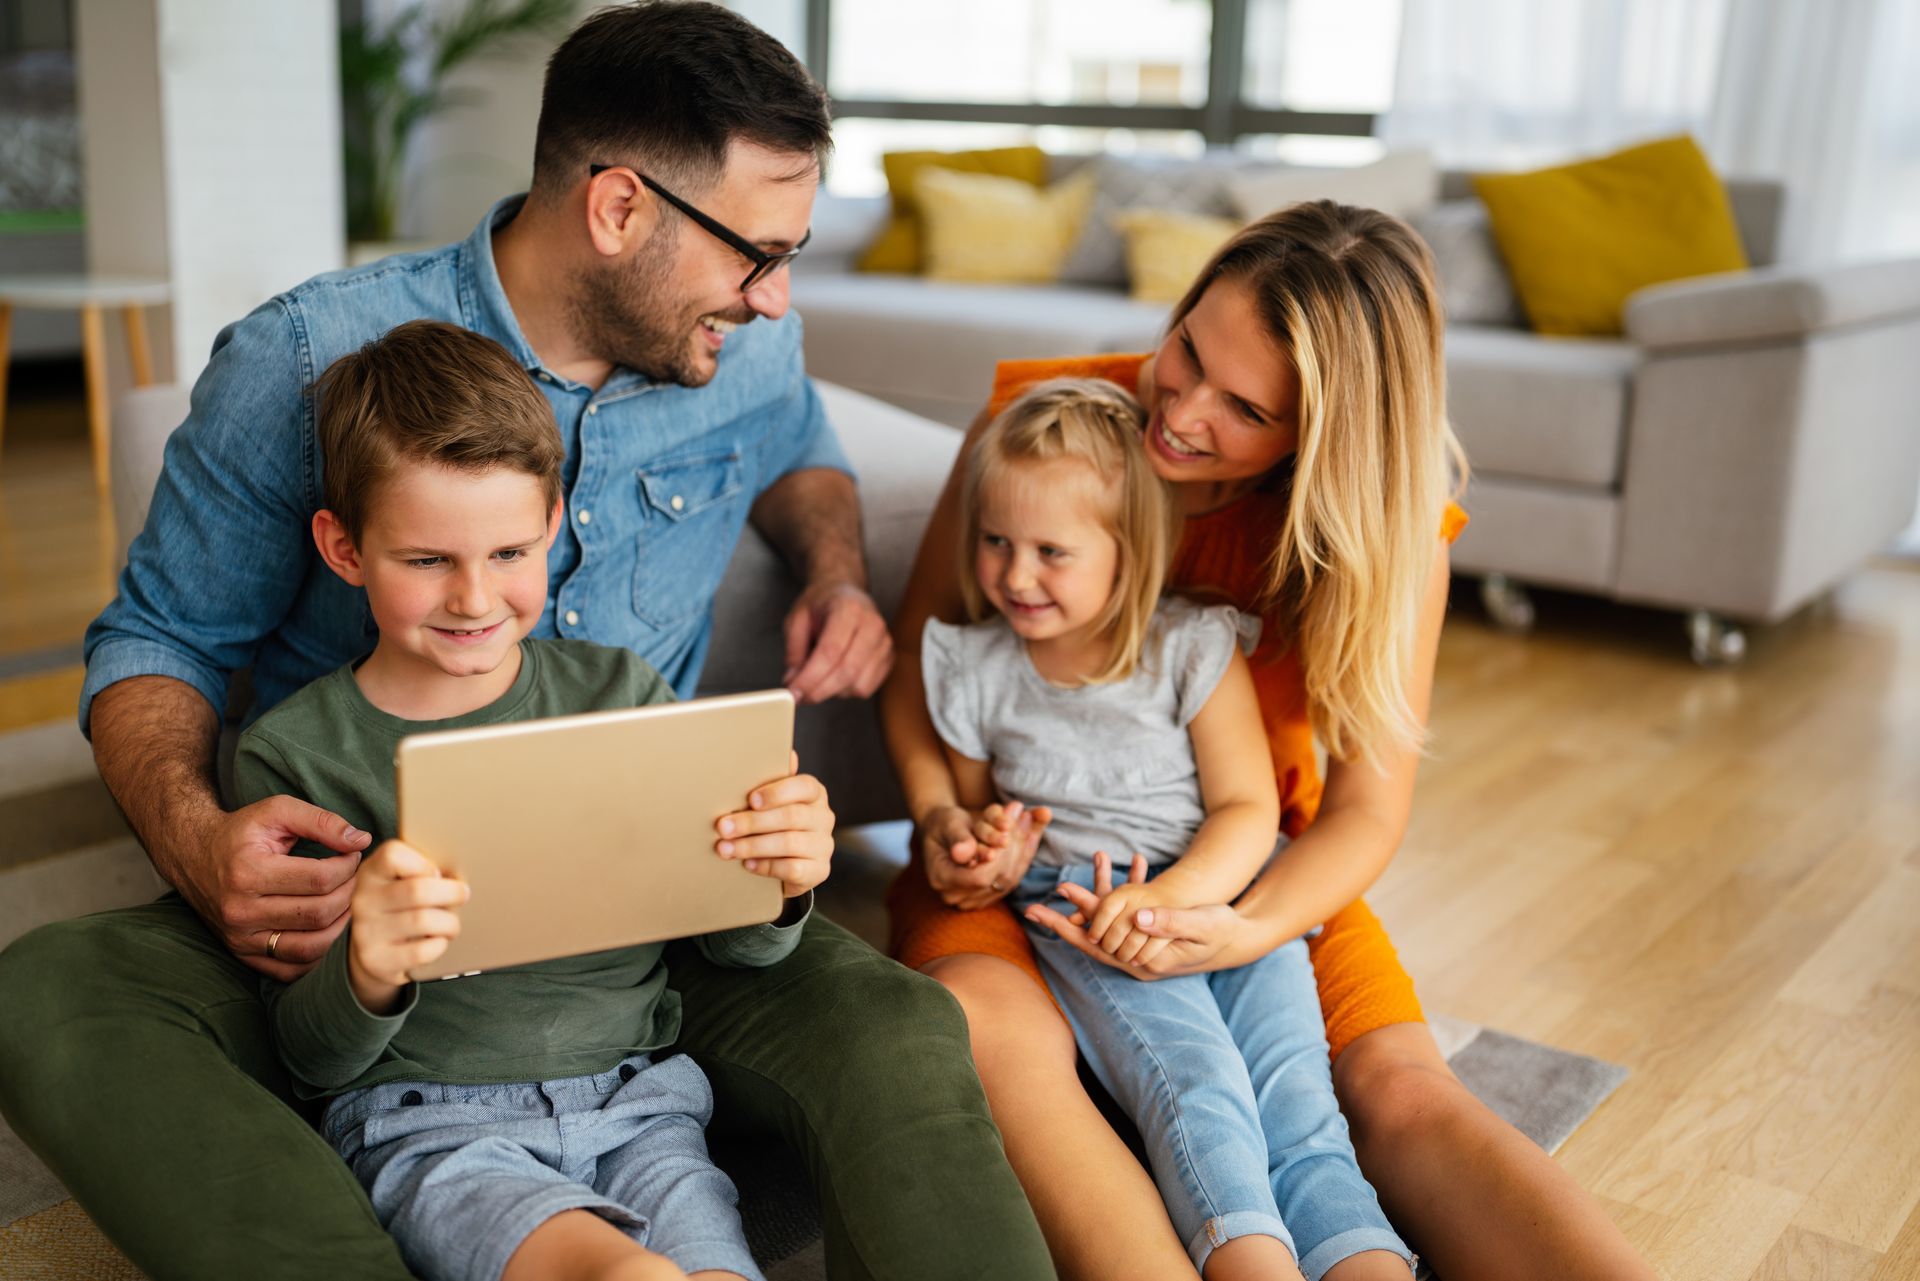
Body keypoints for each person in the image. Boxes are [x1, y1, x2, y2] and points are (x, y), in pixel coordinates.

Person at [0, 6, 1051, 1279]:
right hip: (360, 923)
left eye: (791, 256)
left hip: (648, 907)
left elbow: (805, 457)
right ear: (617, 209)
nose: (775, 296)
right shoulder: (307, 360)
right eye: (756, 255)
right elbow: (158, 638)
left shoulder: (747, 349)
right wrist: (200, 842)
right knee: (53, 994)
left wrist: (837, 575)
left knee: (895, 1024)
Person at [882, 201, 1657, 1281]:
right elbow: (928, 668)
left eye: (1244, 408)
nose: (1181, 411)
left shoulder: (1387, 534)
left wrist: (1241, 927)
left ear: (1317, 439)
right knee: (997, 1043)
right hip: (1029, 868)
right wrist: (942, 820)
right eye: (1188, 347)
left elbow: (1365, 814)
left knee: (1396, 1092)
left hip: (1254, 860)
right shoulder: (1046, 430)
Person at [240, 319, 835, 1281]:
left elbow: (736, 944)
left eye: (511, 553)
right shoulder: (297, 755)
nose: (476, 598)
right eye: (427, 561)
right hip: (434, 1128)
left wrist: (783, 882)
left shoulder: (619, 691)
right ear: (344, 549)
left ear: (555, 525)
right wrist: (370, 966)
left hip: (644, 1108)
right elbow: (306, 1055)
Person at [922, 376, 1412, 1281]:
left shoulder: (1192, 646)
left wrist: (1177, 902)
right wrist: (982, 847)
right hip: (1093, 911)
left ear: (1128, 551)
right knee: (1199, 1088)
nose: (1016, 574)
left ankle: (1362, 1263)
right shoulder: (975, 667)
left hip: (1221, 892)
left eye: (1051, 551)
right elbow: (975, 810)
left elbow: (1247, 809)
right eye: (996, 541)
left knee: (1301, 1103)